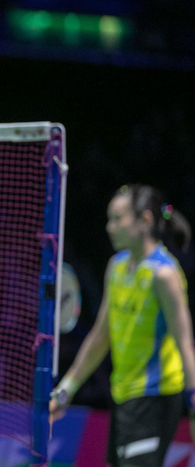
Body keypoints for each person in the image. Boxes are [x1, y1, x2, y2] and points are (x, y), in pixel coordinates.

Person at [51, 184, 195, 466]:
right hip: (122, 396)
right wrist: (66, 389)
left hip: (156, 397)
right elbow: (100, 336)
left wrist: (193, 405)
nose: (110, 227)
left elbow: (185, 343)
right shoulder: (116, 267)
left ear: (145, 221)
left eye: (118, 219)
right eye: (109, 219)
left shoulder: (164, 275)